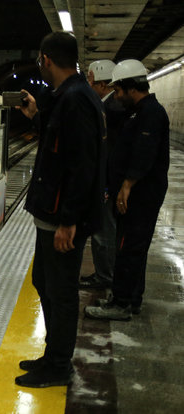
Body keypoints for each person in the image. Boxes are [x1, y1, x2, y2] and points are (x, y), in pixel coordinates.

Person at [14, 32, 106, 388]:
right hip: (51, 215)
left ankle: (58, 365)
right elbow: (60, 146)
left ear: (46, 59)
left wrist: (69, 221)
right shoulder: (70, 97)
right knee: (45, 283)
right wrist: (38, 116)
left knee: (61, 292)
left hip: (61, 219)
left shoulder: (77, 100)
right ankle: (52, 356)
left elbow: (81, 166)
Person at [85, 59, 170, 321]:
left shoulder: (150, 113)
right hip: (137, 193)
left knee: (127, 247)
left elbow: (143, 155)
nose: (116, 95)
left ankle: (120, 304)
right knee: (133, 247)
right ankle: (131, 299)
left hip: (141, 195)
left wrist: (126, 186)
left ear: (131, 87)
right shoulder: (139, 111)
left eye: (119, 89)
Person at [80, 60, 128, 289]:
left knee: (103, 232)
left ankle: (105, 277)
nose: (87, 85)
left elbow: (111, 152)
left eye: (89, 80)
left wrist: (106, 186)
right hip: (109, 181)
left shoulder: (110, 110)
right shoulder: (111, 107)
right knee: (104, 231)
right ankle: (104, 273)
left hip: (108, 183)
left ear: (101, 84)